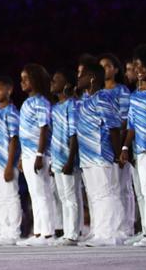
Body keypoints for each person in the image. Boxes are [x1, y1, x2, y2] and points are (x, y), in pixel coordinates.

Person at [75, 62, 124, 246]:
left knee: (106, 194)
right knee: (95, 196)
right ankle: (100, 231)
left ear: (92, 78)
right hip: (87, 155)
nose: (78, 78)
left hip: (101, 153)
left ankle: (110, 234)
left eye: (82, 75)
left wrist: (118, 153)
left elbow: (113, 127)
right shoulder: (85, 100)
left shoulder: (103, 97)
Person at [120, 42, 146, 247]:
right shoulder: (135, 96)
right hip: (141, 150)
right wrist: (126, 147)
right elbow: (132, 125)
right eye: (135, 66)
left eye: (141, 65)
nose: (137, 70)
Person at [17, 64, 56, 246]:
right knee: (35, 194)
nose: (22, 82)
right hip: (27, 154)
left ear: (36, 80)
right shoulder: (27, 103)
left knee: (42, 193)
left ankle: (48, 233)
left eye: (26, 78)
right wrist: (21, 157)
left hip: (38, 154)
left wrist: (40, 154)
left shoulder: (41, 102)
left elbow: (43, 128)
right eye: (22, 78)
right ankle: (39, 231)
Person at [99, 53, 134, 238]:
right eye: (101, 67)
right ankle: (111, 226)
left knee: (123, 186)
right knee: (109, 188)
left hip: (118, 142)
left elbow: (126, 120)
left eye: (107, 66)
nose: (104, 70)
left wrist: (121, 147)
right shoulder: (98, 93)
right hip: (102, 146)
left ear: (116, 69)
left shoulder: (122, 91)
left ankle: (126, 228)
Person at [50, 70, 83, 246]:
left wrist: (70, 160)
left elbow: (73, 134)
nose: (52, 81)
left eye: (56, 79)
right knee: (63, 197)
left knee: (71, 196)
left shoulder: (72, 105)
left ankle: (73, 233)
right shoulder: (55, 108)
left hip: (68, 159)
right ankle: (68, 231)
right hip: (56, 158)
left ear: (67, 84)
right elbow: (54, 134)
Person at [0, 76, 22, 246]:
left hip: (6, 164)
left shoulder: (12, 112)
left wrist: (10, 165)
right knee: (0, 199)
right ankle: (3, 231)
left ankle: (13, 232)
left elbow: (14, 140)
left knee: (10, 197)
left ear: (9, 90)